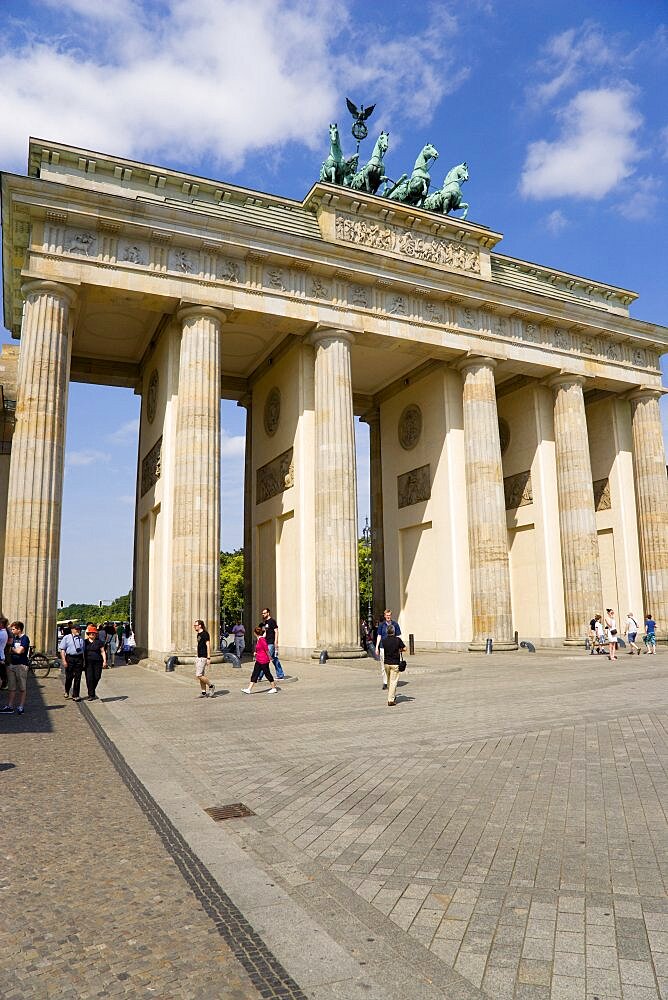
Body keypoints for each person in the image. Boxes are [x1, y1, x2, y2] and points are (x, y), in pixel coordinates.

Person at [1, 621, 30, 715]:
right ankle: (10, 706)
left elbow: (20, 651)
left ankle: (21, 706)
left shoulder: (25, 638)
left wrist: (11, 648)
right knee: (11, 687)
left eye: (13, 629)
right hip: (11, 664)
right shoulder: (13, 638)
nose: (12, 631)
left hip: (21, 665)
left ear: (19, 629)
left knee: (22, 687)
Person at [242, 626, 278, 695]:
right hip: (259, 659)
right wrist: (256, 652)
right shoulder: (259, 639)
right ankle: (249, 689)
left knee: (267, 674)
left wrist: (270, 657)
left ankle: (274, 688)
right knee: (255, 674)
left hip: (264, 660)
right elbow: (261, 647)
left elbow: (266, 649)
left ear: (255, 633)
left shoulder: (261, 640)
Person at [380, 624, 406, 707]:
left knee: (388, 681)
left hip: (386, 663)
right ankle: (390, 700)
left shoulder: (384, 640)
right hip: (395, 663)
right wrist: (399, 649)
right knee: (393, 682)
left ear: (387, 632)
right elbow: (405, 648)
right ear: (394, 631)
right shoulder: (397, 640)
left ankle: (391, 696)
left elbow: (385, 648)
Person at [375, 610, 401, 689]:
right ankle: (385, 682)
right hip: (383, 647)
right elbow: (379, 636)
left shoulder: (395, 624)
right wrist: (377, 647)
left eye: (389, 615)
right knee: (383, 665)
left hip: (393, 648)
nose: (388, 617)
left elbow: (399, 636)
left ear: (391, 615)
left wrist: (399, 646)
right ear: (384, 616)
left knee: (393, 665)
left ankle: (391, 681)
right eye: (387, 615)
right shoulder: (382, 625)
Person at [59, 623, 85, 701]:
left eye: (79, 629)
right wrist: (64, 660)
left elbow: (83, 650)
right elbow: (62, 650)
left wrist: (83, 661)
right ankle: (67, 690)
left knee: (78, 677)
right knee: (69, 677)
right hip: (70, 658)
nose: (78, 631)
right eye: (77, 629)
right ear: (72, 630)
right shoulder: (67, 638)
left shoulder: (81, 639)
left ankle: (76, 695)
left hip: (79, 658)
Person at [260, 608, 285, 679]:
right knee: (275, 659)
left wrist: (276, 642)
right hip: (266, 642)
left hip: (271, 643)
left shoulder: (272, 621)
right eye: (262, 613)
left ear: (268, 613)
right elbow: (266, 632)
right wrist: (261, 639)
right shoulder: (266, 622)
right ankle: (280, 674)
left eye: (264, 613)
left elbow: (276, 631)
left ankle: (259, 676)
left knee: (265, 659)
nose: (263, 614)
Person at [83, 625, 106, 701]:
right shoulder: (85, 642)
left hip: (98, 661)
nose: (92, 634)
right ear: (88, 634)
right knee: (89, 678)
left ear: (96, 634)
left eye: (94, 633)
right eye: (91, 633)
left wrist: (104, 661)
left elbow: (103, 652)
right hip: (88, 662)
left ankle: (92, 690)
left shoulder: (99, 642)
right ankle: (91, 694)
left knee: (97, 677)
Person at [193, 619, 215, 697]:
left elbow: (208, 645)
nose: (194, 627)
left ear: (200, 625)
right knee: (201, 675)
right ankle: (203, 692)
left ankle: (211, 685)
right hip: (199, 657)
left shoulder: (205, 634)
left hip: (203, 657)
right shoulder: (198, 634)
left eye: (195, 625)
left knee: (198, 675)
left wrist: (208, 657)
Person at [0, 616, 8, 690]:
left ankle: (4, 684)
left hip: (0, 656)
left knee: (2, 674)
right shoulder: (3, 632)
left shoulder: (2, 633)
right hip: (1, 655)